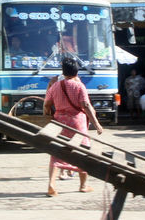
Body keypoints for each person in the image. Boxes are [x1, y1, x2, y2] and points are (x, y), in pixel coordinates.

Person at [43, 57, 104, 196]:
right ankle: (83, 185)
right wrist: (97, 124)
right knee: (82, 152)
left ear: (63, 72)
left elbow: (47, 104)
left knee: (56, 152)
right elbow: (86, 105)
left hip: (59, 122)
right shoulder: (79, 86)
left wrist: (48, 115)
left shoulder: (55, 86)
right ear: (76, 71)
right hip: (77, 122)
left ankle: (51, 185)